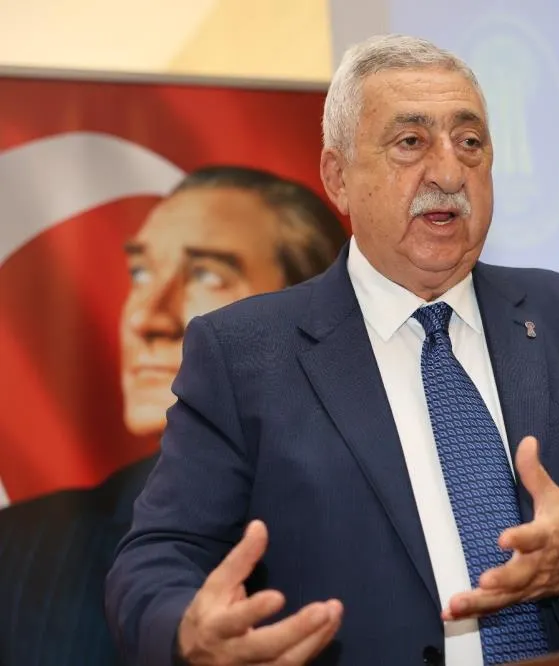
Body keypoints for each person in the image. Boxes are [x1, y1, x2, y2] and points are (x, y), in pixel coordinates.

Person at [105, 35, 559, 666]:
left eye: (469, 142)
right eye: (410, 142)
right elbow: (156, 558)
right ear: (338, 178)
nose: (449, 173)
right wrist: (188, 632)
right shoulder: (244, 354)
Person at [0, 165, 347, 666]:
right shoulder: (20, 553)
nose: (146, 317)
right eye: (141, 273)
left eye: (207, 274)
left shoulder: (405, 519)